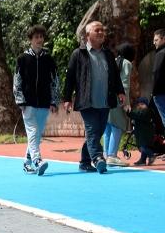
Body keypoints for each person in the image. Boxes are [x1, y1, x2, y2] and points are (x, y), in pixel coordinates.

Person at [62, 21, 126, 174]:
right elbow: (70, 78)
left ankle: (84, 162)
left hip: (105, 101)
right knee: (92, 131)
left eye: (102, 30)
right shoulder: (78, 54)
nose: (101, 32)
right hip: (87, 101)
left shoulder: (108, 54)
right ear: (87, 34)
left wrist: (120, 91)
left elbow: (115, 76)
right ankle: (98, 158)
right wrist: (67, 98)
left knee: (97, 133)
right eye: (97, 30)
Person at [13, 25, 60, 175]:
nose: (39, 40)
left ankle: (27, 163)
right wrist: (20, 100)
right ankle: (37, 161)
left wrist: (54, 101)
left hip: (44, 102)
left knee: (37, 135)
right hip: (28, 103)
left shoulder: (49, 59)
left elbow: (55, 81)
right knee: (33, 132)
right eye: (36, 37)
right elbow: (17, 80)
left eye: (41, 37)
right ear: (30, 40)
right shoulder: (22, 59)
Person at [105, 43, 133, 166]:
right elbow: (125, 84)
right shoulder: (126, 63)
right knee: (117, 126)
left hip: (107, 98)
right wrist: (126, 102)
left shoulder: (113, 60)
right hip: (118, 99)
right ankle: (112, 155)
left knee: (108, 127)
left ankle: (106, 155)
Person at [127, 97, 157, 166]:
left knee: (142, 147)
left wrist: (129, 112)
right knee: (143, 146)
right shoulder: (142, 111)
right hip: (142, 133)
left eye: (142, 104)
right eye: (138, 104)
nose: (140, 106)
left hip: (145, 133)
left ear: (146, 105)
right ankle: (142, 160)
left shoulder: (147, 111)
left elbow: (138, 115)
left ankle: (151, 155)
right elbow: (137, 116)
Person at [152, 29, 165, 129]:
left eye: (156, 40)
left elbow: (156, 73)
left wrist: (153, 92)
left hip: (160, 92)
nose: (154, 43)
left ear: (163, 38)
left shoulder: (161, 53)